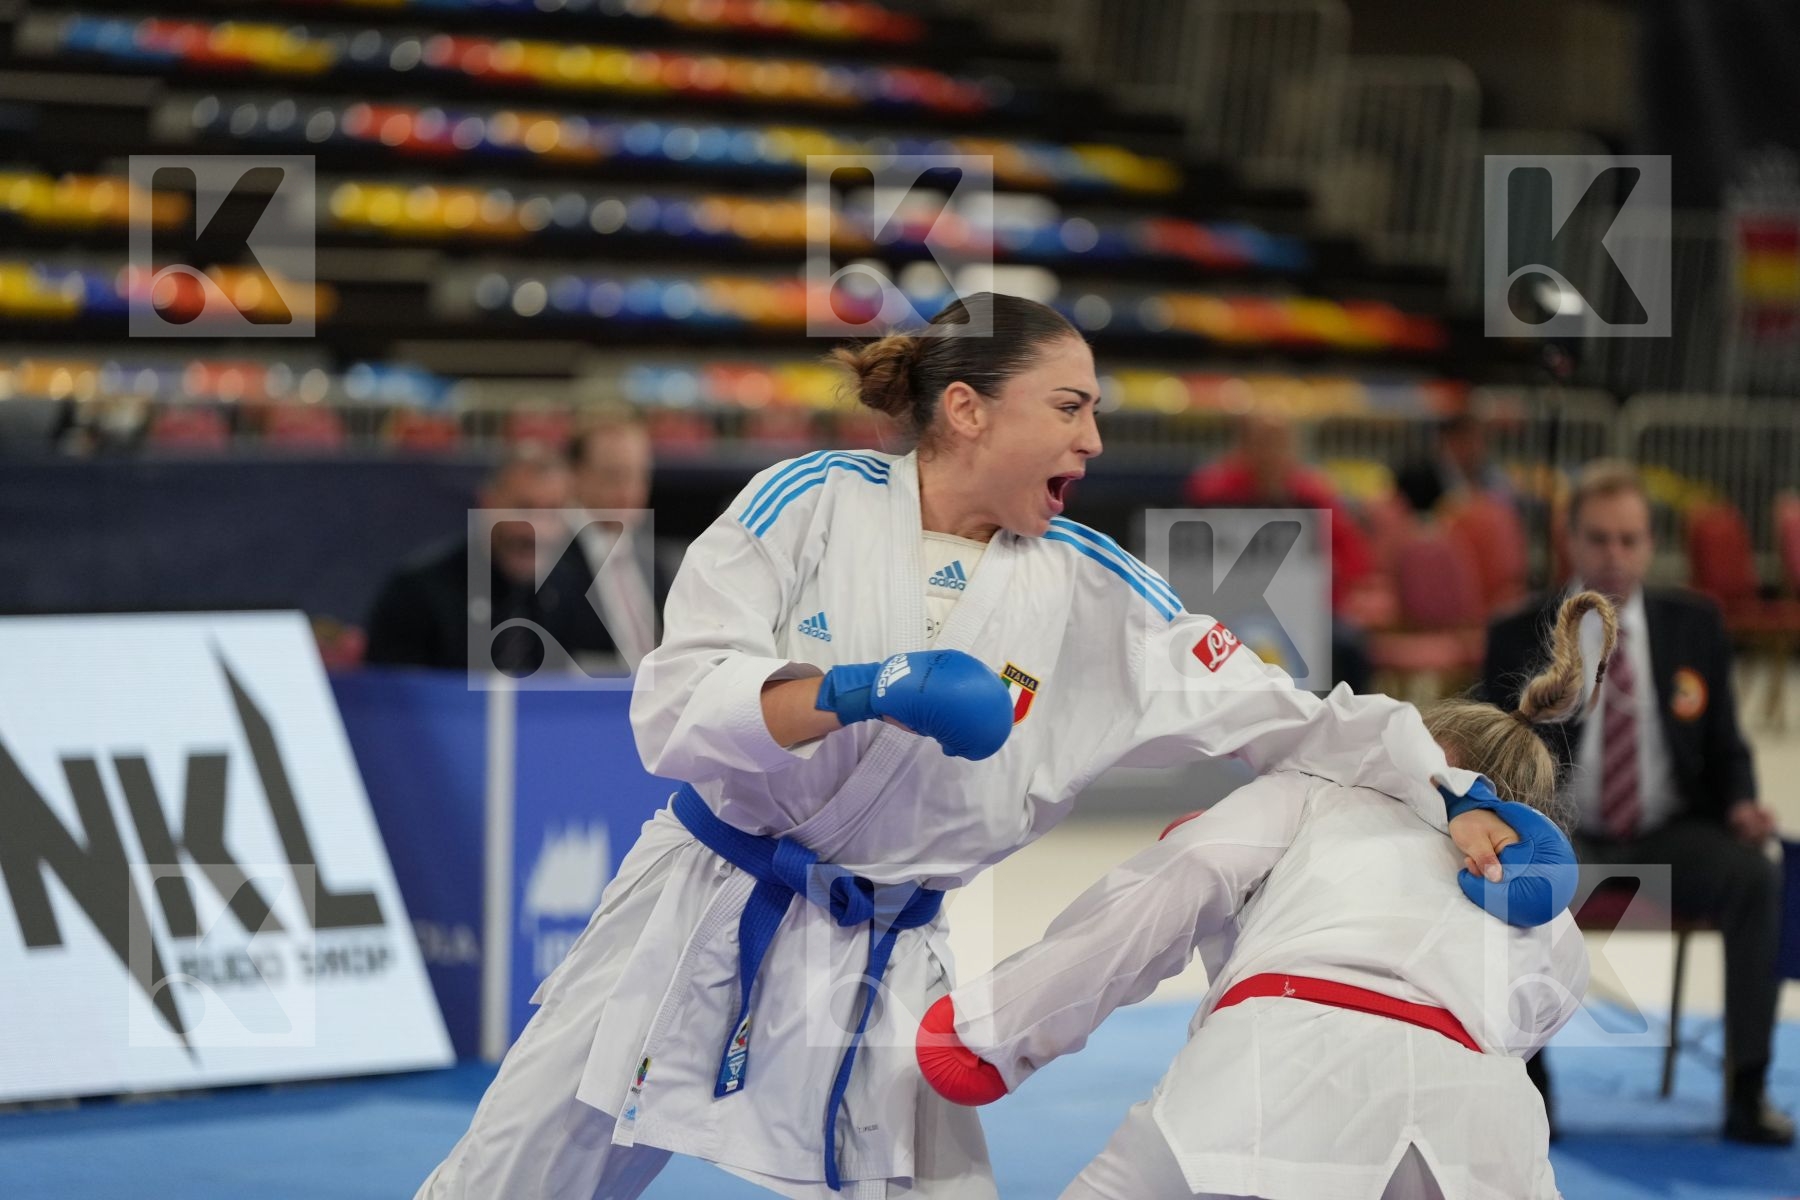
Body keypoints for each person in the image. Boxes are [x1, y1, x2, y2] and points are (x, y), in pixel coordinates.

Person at [416, 293, 1542, 1200]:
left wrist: (1448, 786)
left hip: (888, 956)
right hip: (702, 905)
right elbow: (675, 708)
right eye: (1070, 408)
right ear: (966, 409)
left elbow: (1286, 711)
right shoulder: (806, 503)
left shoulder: (1095, 588)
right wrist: (864, 689)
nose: (1093, 441)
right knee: (508, 1179)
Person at [917, 593, 1611, 1200]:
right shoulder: (1553, 922)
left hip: (1267, 1075)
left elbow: (1187, 874)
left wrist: (997, 1028)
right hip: (1481, 1126)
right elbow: (1520, 1025)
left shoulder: (1320, 793)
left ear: (1424, 746)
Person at [1480, 460, 1791, 1145]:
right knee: (1514, 888)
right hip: (1568, 837)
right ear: (1571, 540)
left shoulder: (1695, 626)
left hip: (1666, 832)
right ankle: (1532, 1096)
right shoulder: (1518, 632)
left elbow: (1726, 743)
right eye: (1599, 539)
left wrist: (1741, 804)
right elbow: (1489, 758)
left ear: (1652, 544)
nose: (1614, 556)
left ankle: (1748, 1089)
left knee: (1759, 878)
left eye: (1629, 539)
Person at [364, 445, 617, 674]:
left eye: (553, 511)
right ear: (487, 503)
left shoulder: (567, 589)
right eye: (523, 509)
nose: (536, 530)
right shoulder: (417, 594)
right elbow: (391, 707)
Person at [1184, 411, 1376, 692]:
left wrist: (1326, 575)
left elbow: (1353, 558)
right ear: (1243, 446)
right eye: (1262, 441)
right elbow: (1189, 558)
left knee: (1348, 646)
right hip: (1229, 611)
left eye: (1279, 442)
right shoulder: (1212, 491)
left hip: (1308, 611)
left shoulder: (1314, 493)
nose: (1270, 452)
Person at [562, 407, 683, 671]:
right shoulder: (547, 559)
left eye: (638, 475)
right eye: (613, 475)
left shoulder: (656, 562)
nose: (628, 489)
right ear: (576, 475)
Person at [1395, 412, 1518, 517]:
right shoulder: (1416, 478)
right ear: (1448, 441)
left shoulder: (1493, 477)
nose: (1474, 448)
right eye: (1466, 440)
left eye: (1478, 440)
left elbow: (1506, 511)